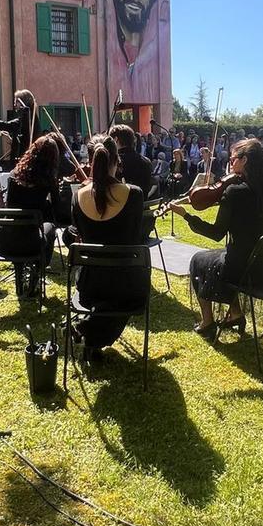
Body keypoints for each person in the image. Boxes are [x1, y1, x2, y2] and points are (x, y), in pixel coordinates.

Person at [166, 139, 263, 341]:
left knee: (199, 259)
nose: (230, 163)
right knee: (217, 256)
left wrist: (186, 215)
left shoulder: (236, 192)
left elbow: (216, 233)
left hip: (242, 268)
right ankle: (235, 313)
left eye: (233, 159)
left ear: (244, 160)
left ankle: (207, 321)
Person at [65, 137, 148, 360]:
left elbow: (78, 235)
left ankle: (88, 333)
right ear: (116, 160)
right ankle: (89, 333)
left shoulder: (77, 196)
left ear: (91, 161)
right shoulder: (134, 194)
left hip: (90, 283)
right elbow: (135, 236)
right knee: (132, 298)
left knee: (111, 297)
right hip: (126, 282)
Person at [0, 134, 60, 297]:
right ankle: (37, 273)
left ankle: (20, 279)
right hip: (33, 243)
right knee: (51, 227)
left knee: (20, 230)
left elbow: (10, 206)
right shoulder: (48, 180)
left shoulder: (14, 176)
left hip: (5, 240)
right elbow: (58, 209)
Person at [0, 89, 36, 170]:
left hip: (24, 161)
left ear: (23, 103)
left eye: (16, 102)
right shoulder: (31, 118)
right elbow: (23, 138)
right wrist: (11, 137)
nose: (14, 104)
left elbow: (4, 125)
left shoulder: (26, 119)